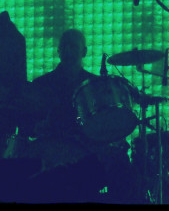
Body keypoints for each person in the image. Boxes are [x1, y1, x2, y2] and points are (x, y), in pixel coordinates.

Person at [23, 29, 140, 203]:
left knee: (121, 162)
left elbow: (105, 125)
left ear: (84, 52)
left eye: (73, 46)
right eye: (64, 46)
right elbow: (27, 126)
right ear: (58, 51)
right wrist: (38, 127)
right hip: (53, 149)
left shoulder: (97, 85)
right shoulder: (41, 84)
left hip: (87, 149)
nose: (68, 51)